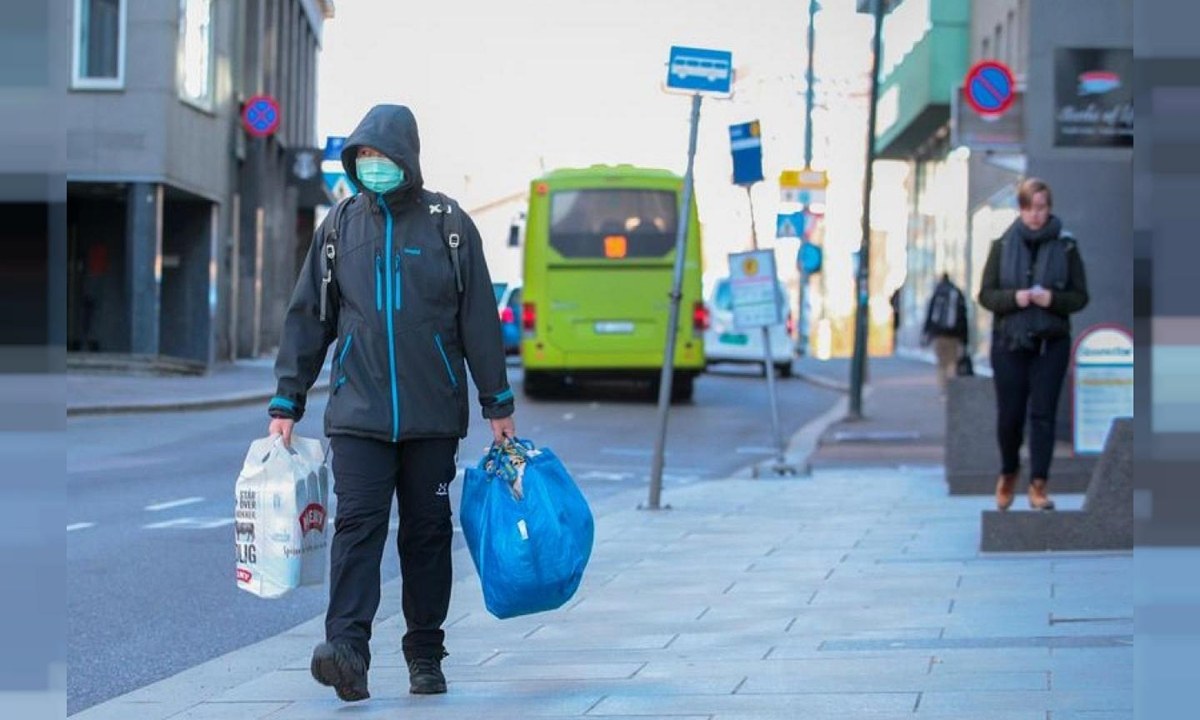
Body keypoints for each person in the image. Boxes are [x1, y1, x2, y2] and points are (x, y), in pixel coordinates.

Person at [266, 104, 516, 702]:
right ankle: (347, 650)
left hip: (432, 416)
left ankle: (425, 653)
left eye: (382, 157)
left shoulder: (448, 225)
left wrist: (497, 401)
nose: (373, 166)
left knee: (427, 533)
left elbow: (479, 317)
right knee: (356, 528)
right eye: (364, 158)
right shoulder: (338, 228)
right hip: (358, 415)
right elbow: (309, 318)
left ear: (407, 158)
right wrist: (287, 399)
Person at [978, 178, 1088, 512]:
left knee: (1043, 415)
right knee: (1010, 417)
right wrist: (1016, 298)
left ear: (1049, 208)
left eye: (1040, 207)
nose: (1035, 215)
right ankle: (1009, 472)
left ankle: (1039, 484)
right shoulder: (1002, 245)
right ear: (1020, 209)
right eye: (1028, 208)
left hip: (1050, 343)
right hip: (1010, 342)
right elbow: (985, 294)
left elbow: (1080, 296)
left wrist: (1052, 298)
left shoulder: (1066, 247)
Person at [921, 273, 969, 395]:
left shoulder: (937, 293)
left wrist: (926, 333)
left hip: (939, 335)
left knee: (941, 363)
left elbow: (930, 314)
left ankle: (943, 389)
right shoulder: (957, 293)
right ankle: (950, 391)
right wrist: (964, 339)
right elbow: (963, 317)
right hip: (954, 335)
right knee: (952, 363)